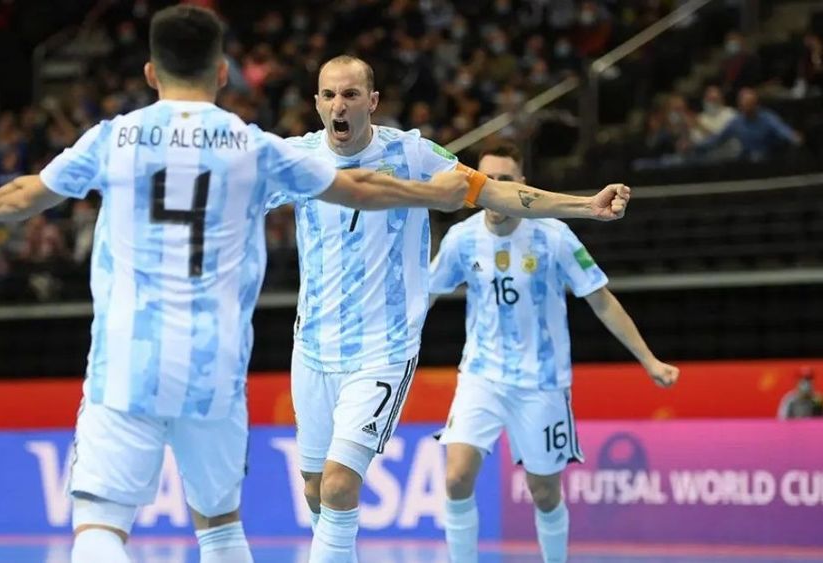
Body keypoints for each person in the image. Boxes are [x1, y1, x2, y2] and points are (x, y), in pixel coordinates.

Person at [0, 6, 476, 563]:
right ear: (223, 73)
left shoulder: (114, 137)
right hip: (214, 367)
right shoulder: (253, 146)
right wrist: (431, 195)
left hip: (128, 360)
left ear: (151, 74)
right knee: (220, 528)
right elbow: (360, 186)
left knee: (100, 527)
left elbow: (30, 194)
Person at [269, 56, 632, 563]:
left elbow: (496, 192)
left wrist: (582, 204)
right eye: (329, 95)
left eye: (350, 94)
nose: (339, 105)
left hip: (382, 350)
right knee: (314, 491)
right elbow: (228, 194)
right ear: (316, 103)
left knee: (337, 488)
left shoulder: (413, 154)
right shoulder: (297, 158)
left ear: (371, 102)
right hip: (311, 349)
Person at [430, 140, 678, 563]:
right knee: (456, 478)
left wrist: (648, 358)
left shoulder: (553, 235)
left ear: (522, 183)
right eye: (487, 178)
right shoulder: (461, 239)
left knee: (544, 492)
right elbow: (425, 297)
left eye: (505, 179)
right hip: (481, 377)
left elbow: (600, 298)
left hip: (542, 383)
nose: (495, 186)